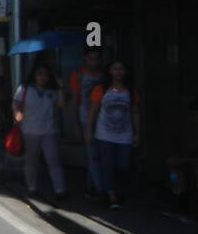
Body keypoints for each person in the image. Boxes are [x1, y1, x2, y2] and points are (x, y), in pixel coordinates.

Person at [86, 60, 140, 208]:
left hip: (125, 135)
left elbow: (135, 112)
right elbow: (93, 112)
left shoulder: (130, 90)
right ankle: (111, 195)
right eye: (115, 69)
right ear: (110, 71)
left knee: (123, 165)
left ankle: (117, 190)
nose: (118, 72)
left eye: (121, 69)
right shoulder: (101, 89)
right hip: (104, 134)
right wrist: (89, 132)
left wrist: (137, 133)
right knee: (107, 165)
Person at [14, 62, 67, 199]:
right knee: (31, 161)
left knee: (54, 160)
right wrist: (17, 112)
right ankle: (32, 187)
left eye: (46, 75)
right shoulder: (24, 89)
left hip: (50, 131)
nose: (43, 78)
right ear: (34, 76)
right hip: (30, 130)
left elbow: (61, 105)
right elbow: (15, 103)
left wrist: (60, 88)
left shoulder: (52, 91)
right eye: (40, 74)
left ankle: (60, 189)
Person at [69, 47, 105, 200]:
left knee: (97, 156)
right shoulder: (78, 75)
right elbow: (75, 99)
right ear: (85, 58)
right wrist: (75, 123)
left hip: (104, 120)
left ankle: (91, 188)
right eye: (91, 58)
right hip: (85, 119)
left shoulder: (104, 75)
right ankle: (100, 189)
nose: (93, 62)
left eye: (96, 58)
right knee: (92, 155)